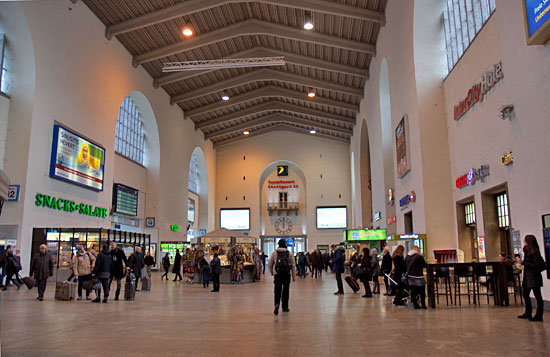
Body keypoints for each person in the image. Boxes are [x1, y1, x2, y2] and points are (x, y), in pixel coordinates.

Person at [518, 235, 546, 322]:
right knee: (525, 294)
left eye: (525, 241)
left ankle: (539, 314)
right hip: (528, 276)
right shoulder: (527, 251)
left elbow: (535, 265)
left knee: (537, 295)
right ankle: (528, 312)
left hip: (534, 277)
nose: (524, 242)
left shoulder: (535, 252)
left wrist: (524, 263)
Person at [268, 239, 296, 315]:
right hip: (286, 274)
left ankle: (277, 304)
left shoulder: (274, 253)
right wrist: (293, 276)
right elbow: (293, 265)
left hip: (278, 274)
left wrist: (272, 273)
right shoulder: (289, 253)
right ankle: (285, 307)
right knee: (285, 291)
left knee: (277, 290)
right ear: (284, 244)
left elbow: (270, 264)